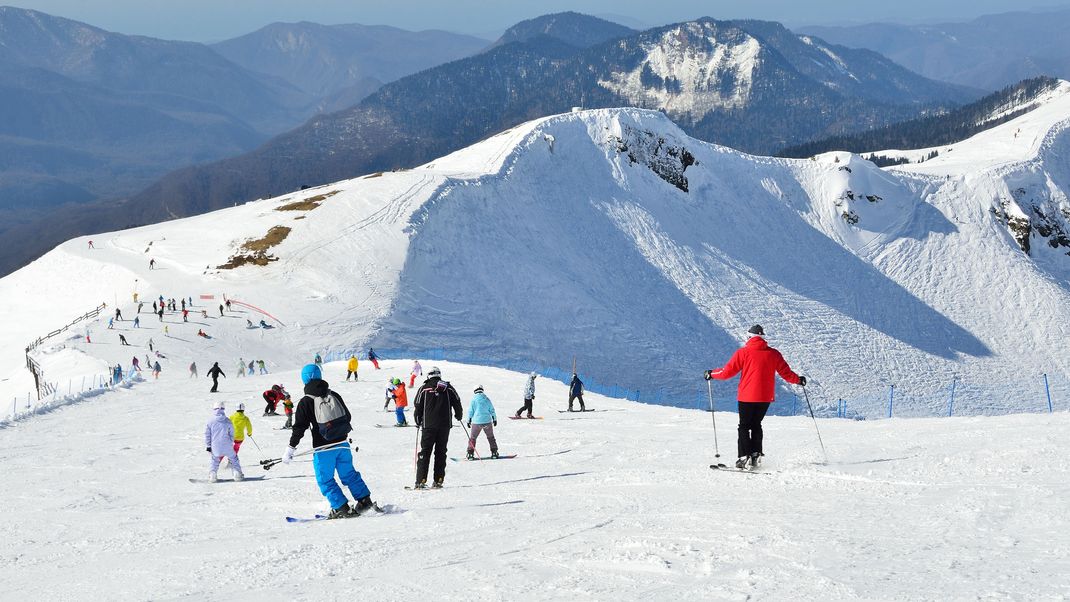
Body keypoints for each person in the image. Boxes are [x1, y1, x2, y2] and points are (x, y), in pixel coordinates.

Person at [282, 363, 378, 519]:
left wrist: (290, 448)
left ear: (304, 379)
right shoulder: (334, 395)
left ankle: (341, 508)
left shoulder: (306, 401)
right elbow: (348, 417)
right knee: (349, 475)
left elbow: (299, 428)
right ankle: (365, 501)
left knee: (325, 480)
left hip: (323, 448)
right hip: (343, 445)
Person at [705, 324, 806, 470]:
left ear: (749, 337)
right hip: (765, 397)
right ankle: (755, 454)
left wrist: (711, 373)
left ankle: (743, 456)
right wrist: (799, 380)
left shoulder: (743, 352)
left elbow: (727, 372)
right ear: (763, 338)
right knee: (756, 424)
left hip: (747, 396)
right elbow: (786, 373)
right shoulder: (773, 354)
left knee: (744, 426)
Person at [412, 366, 462, 489]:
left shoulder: (424, 388)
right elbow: (457, 402)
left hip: (428, 426)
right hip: (444, 426)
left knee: (425, 452)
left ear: (429, 375)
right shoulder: (448, 388)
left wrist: (418, 420)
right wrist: (458, 416)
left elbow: (417, 405)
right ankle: (438, 480)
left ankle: (421, 481)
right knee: (441, 452)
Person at [205, 400, 243, 482]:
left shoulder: (210, 422)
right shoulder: (227, 421)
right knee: (234, 459)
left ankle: (212, 475)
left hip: (215, 446)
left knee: (214, 460)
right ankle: (237, 474)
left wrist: (208, 446)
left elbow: (207, 435)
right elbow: (232, 433)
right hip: (228, 446)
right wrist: (230, 441)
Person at [466, 385, 499, 459]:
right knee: (490, 437)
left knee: (473, 438)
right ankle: (494, 452)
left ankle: (470, 454)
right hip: (487, 421)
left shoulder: (473, 400)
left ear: (475, 391)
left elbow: (470, 411)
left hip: (477, 422)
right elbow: (492, 410)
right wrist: (494, 419)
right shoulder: (487, 399)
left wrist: (468, 420)